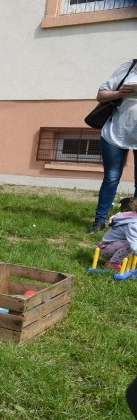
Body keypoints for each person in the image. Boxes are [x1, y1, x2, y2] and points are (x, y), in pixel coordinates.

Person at [89, 59, 137, 233]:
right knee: (111, 177)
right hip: (116, 133)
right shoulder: (129, 67)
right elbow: (101, 95)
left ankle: (133, 223)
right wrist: (119, 93)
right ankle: (99, 220)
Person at [95, 196, 137, 270]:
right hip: (106, 248)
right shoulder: (132, 224)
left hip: (113, 245)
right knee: (129, 244)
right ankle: (113, 263)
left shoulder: (132, 215)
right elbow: (133, 243)